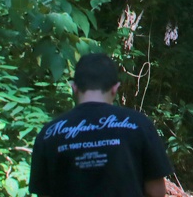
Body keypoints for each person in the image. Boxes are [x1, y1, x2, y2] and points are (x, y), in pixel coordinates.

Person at [29, 53, 173, 197]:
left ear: (74, 88)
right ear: (115, 89)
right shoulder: (140, 125)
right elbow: (156, 191)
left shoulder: (49, 134)